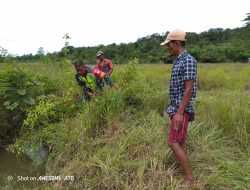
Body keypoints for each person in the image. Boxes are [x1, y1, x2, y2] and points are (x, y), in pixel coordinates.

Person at [161, 29, 197, 187]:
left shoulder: (187, 60)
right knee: (180, 141)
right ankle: (185, 171)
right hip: (175, 108)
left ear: (176, 43)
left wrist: (180, 113)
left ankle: (190, 179)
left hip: (180, 110)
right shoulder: (178, 60)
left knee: (173, 142)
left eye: (169, 45)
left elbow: (189, 88)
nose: (168, 48)